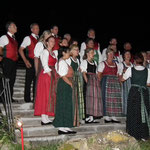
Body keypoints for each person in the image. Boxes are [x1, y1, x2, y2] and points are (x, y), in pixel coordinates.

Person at [121, 52, 150, 140]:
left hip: (134, 93)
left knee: (134, 113)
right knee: (143, 113)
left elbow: (122, 79)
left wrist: (123, 73)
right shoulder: (147, 70)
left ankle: (134, 134)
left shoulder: (130, 69)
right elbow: (148, 84)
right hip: (144, 92)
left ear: (135, 61)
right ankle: (143, 135)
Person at [53, 46, 76, 135]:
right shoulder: (62, 62)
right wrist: (70, 84)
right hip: (64, 84)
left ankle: (66, 126)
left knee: (67, 104)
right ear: (63, 53)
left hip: (66, 84)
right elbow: (62, 75)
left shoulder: (65, 62)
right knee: (63, 104)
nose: (69, 54)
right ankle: (61, 127)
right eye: (68, 52)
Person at [34, 36, 58, 125]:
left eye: (53, 41)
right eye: (50, 41)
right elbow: (44, 64)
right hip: (46, 75)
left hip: (52, 74)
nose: (52, 42)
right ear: (47, 42)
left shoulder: (53, 53)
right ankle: (43, 117)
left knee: (49, 95)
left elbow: (55, 65)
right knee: (44, 95)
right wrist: (49, 74)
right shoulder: (45, 51)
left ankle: (46, 116)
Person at [98, 48, 122, 123]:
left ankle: (113, 115)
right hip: (106, 82)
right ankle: (106, 116)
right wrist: (101, 83)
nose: (111, 55)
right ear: (107, 55)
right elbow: (98, 75)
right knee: (106, 98)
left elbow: (118, 74)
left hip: (115, 83)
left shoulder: (116, 64)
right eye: (109, 54)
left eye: (112, 54)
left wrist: (119, 83)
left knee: (114, 98)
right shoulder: (102, 64)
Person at [80, 48, 103, 123]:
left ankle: (92, 116)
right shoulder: (84, 62)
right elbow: (83, 73)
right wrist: (87, 82)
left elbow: (96, 73)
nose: (94, 54)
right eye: (92, 53)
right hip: (89, 81)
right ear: (87, 53)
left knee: (94, 99)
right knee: (88, 99)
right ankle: (87, 117)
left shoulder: (95, 62)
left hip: (94, 81)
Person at [19, 23, 40, 103]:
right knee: (29, 80)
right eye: (36, 28)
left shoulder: (39, 39)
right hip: (30, 61)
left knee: (36, 80)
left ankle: (35, 98)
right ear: (31, 29)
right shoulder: (28, 38)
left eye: (38, 28)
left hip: (38, 61)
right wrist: (25, 61)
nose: (37, 29)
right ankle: (27, 99)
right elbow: (20, 50)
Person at [66, 44, 85, 126]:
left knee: (78, 100)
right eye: (76, 50)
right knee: (72, 99)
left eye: (78, 50)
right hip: (71, 80)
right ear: (71, 51)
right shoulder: (68, 59)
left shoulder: (77, 60)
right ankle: (72, 117)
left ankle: (78, 117)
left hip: (77, 81)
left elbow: (78, 70)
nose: (78, 51)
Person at [0, 21, 18, 102]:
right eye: (14, 26)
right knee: (5, 80)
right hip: (7, 61)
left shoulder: (14, 38)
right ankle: (2, 98)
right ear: (9, 28)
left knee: (12, 80)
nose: (16, 27)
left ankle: (9, 97)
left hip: (13, 62)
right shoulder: (4, 37)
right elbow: (0, 48)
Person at [120, 50, 133, 115]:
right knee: (125, 97)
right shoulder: (121, 64)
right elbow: (119, 75)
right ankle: (125, 112)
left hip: (132, 83)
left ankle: (131, 112)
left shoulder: (132, 65)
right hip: (124, 83)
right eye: (126, 54)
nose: (128, 55)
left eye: (129, 54)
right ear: (123, 56)